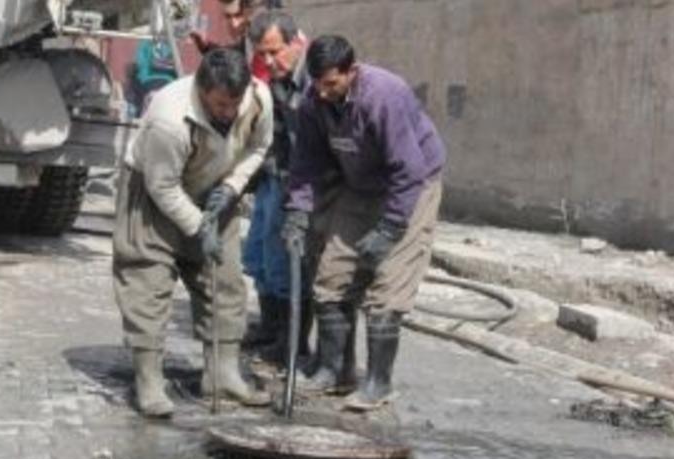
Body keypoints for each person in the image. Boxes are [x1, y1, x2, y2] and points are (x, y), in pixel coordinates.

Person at [281, 35, 446, 411]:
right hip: (360, 185)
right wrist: (297, 212)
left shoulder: (384, 96)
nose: (323, 93)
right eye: (318, 83)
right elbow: (306, 163)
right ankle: (335, 370)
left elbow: (409, 170)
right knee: (332, 274)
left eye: (332, 84)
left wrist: (388, 230)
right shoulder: (313, 101)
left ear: (351, 72)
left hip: (412, 186)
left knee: (387, 285)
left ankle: (378, 383)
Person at [113, 48, 274, 417]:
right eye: (220, 105)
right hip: (154, 193)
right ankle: (149, 381)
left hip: (215, 188)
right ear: (202, 91)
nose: (229, 113)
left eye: (235, 103)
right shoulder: (169, 118)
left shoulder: (260, 98)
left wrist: (232, 186)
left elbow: (258, 147)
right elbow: (163, 186)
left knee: (226, 277)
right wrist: (198, 227)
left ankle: (222, 374)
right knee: (147, 280)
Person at [241, 10, 311, 367]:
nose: (268, 61)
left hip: (303, 183)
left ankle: (292, 341)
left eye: (274, 52)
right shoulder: (275, 77)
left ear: (296, 42)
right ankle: (271, 328)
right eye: (262, 54)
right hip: (276, 174)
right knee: (257, 255)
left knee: (285, 260)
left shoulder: (317, 78)